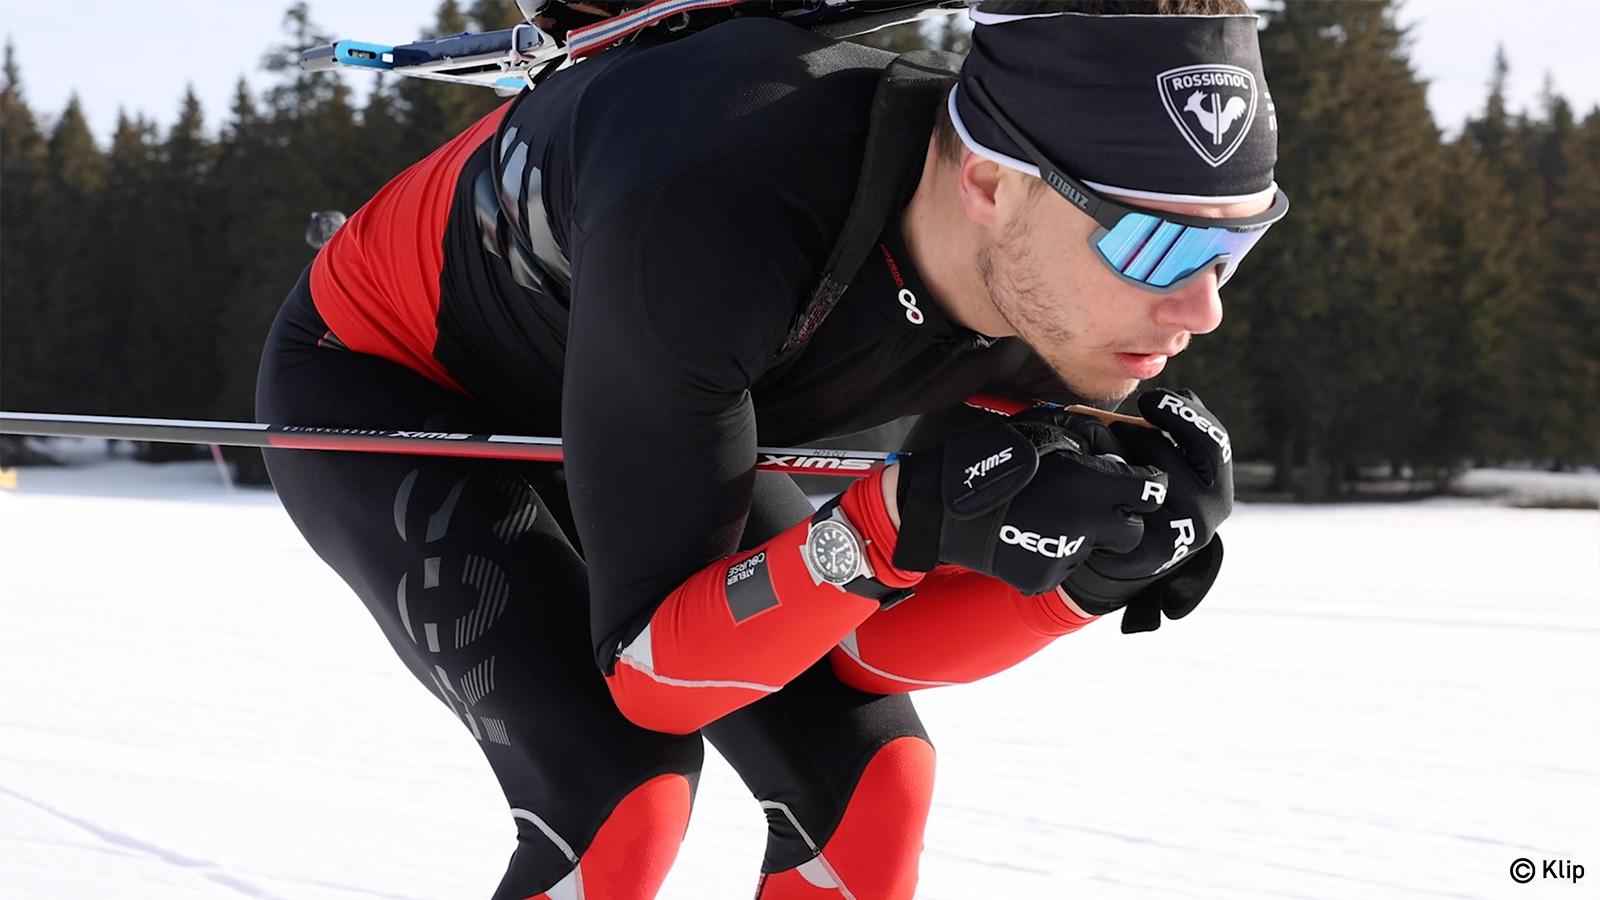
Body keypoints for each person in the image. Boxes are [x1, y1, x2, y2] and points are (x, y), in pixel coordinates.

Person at [255, 0, 1286, 897]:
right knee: (621, 788)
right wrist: (891, 530)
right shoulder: (722, 211)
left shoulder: (1055, 302)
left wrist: (1078, 582)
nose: (1201, 310)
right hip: (396, 373)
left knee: (874, 787)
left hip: (653, 387)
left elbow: (863, 655)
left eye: (1234, 246)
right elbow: (657, 677)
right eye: (1156, 244)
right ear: (987, 183)